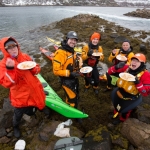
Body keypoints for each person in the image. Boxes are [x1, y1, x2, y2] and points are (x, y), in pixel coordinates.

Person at [0, 37, 46, 138]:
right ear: (5, 50)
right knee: (18, 114)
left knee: (39, 102)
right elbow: (7, 83)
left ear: (17, 46)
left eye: (14, 46)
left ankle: (41, 109)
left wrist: (34, 68)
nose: (13, 49)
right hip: (20, 95)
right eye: (9, 47)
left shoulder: (25, 56)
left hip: (34, 88)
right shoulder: (3, 64)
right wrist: (10, 69)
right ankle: (15, 126)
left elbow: (37, 69)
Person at [110, 53, 150, 125]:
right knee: (116, 105)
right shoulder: (126, 68)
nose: (134, 62)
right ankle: (115, 114)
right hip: (119, 93)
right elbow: (109, 72)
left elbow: (145, 92)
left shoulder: (146, 75)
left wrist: (138, 83)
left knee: (125, 111)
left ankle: (122, 120)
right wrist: (116, 67)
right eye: (133, 60)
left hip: (130, 98)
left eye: (137, 61)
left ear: (142, 63)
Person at [52, 31, 82, 108]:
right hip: (66, 80)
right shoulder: (60, 53)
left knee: (75, 94)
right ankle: (73, 113)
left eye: (75, 40)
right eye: (71, 39)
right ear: (67, 39)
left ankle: (69, 104)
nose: (73, 42)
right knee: (72, 98)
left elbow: (73, 63)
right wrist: (70, 73)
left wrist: (80, 66)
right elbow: (56, 71)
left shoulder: (72, 51)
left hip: (74, 78)